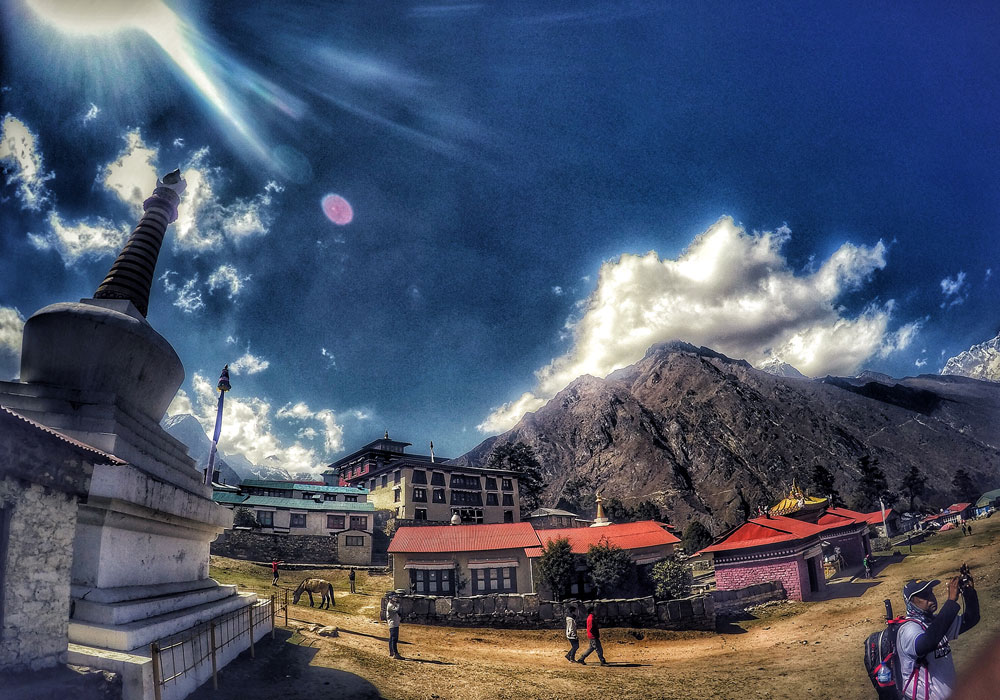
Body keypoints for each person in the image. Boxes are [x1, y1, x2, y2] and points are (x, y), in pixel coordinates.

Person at [897, 571, 980, 700]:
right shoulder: (908, 629)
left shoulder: (934, 623)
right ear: (910, 603)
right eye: (924, 595)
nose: (931, 598)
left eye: (931, 592)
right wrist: (951, 601)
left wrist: (968, 591)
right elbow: (927, 643)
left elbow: (971, 619)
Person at [386, 592, 402, 659]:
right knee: (394, 639)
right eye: (393, 597)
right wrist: (398, 604)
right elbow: (397, 610)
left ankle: (391, 652)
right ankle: (395, 654)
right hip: (393, 624)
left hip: (394, 623)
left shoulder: (392, 604)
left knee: (392, 638)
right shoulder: (390, 606)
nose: (395, 598)